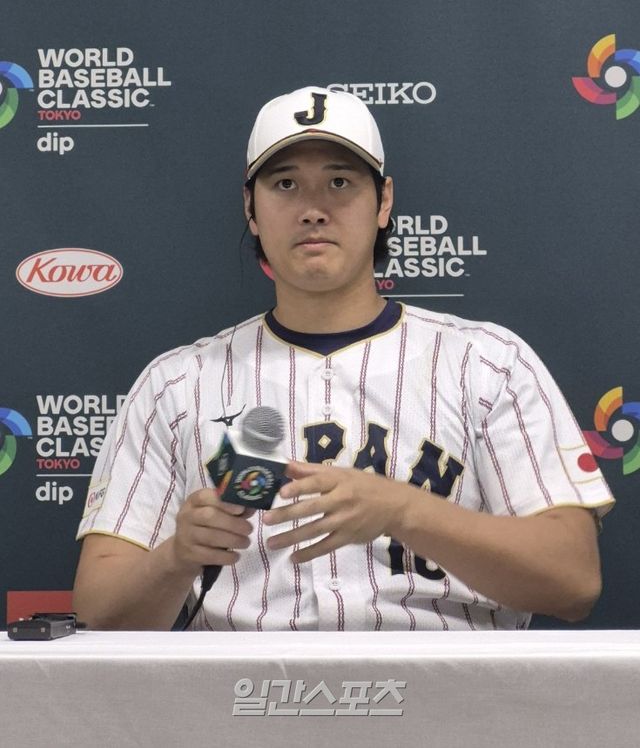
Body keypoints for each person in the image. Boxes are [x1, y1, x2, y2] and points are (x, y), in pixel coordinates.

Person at [73, 85, 614, 631]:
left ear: (383, 201)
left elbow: (573, 581)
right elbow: (100, 613)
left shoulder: (487, 364)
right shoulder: (176, 385)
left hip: (445, 675)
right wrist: (176, 557)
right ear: (250, 208)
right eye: (285, 184)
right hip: (241, 680)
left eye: (340, 182)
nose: (313, 210)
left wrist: (404, 509)